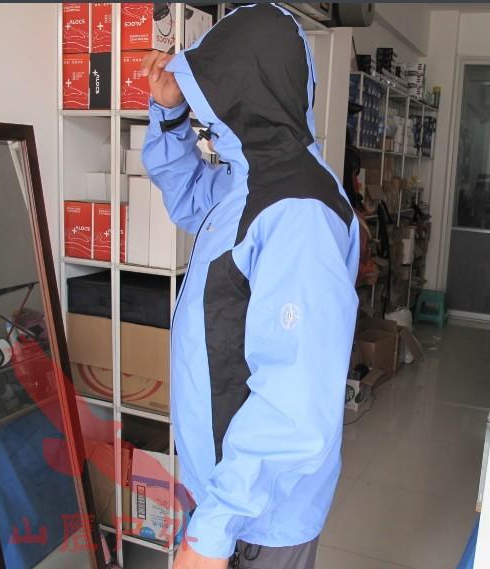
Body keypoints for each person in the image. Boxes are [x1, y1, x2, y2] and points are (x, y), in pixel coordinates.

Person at [140, 4, 359, 569]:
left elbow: (295, 399)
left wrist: (215, 529)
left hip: (260, 514)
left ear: (244, 92)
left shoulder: (299, 211)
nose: (205, 105)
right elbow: (192, 198)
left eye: (213, 87)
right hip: (227, 490)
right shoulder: (251, 179)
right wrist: (169, 116)